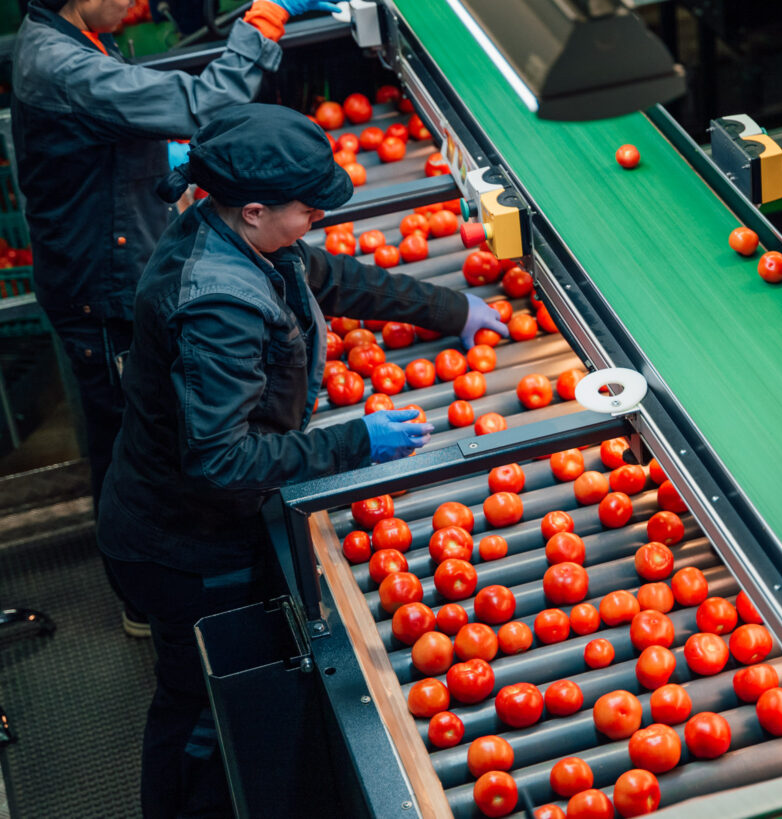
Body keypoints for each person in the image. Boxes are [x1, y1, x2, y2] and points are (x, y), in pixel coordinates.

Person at [95, 102, 508, 817]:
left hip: (189, 520)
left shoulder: (233, 235)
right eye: (307, 208)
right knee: (198, 715)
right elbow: (221, 459)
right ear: (255, 209)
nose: (316, 217)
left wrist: (448, 308)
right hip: (186, 546)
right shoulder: (215, 304)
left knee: (189, 701)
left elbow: (329, 276)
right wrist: (357, 442)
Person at [11, 0, 340, 637]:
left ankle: (158, 580)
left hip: (102, 263)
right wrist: (265, 18)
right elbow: (203, 103)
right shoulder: (58, 61)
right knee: (132, 431)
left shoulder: (67, 37)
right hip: (101, 289)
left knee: (139, 424)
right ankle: (153, 597)